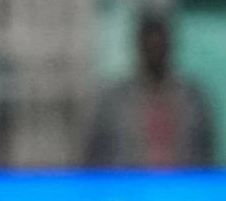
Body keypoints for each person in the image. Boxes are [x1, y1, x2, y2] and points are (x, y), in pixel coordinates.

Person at [84, 11, 217, 168]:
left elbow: (206, 155)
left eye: (159, 45)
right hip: (127, 188)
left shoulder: (193, 100)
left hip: (179, 188)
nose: (155, 51)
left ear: (169, 46)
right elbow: (94, 156)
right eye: (149, 45)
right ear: (139, 46)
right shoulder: (114, 102)